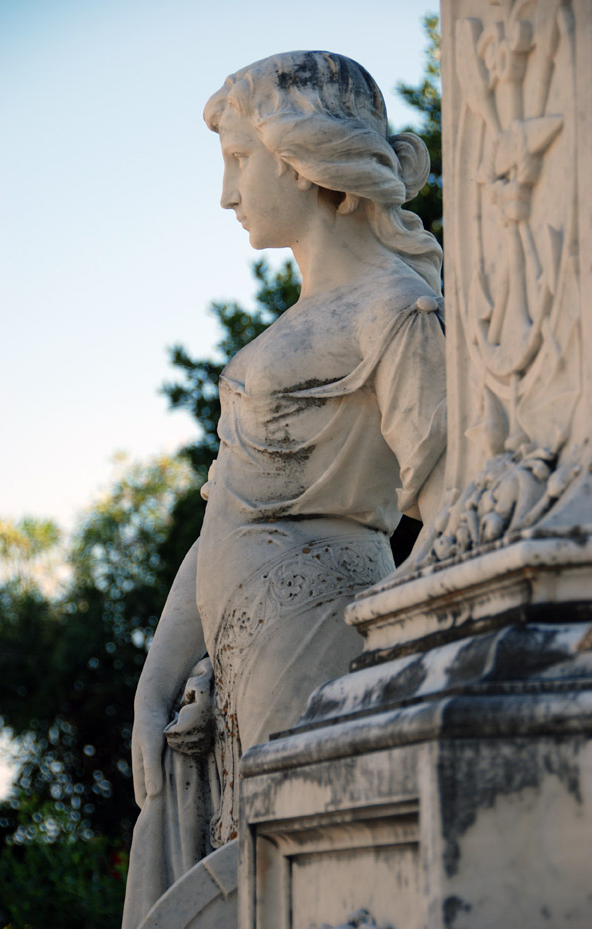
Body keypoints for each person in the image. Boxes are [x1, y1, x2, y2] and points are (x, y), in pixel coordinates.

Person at [122, 50, 446, 928]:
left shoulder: (398, 311)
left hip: (318, 640)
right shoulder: (291, 329)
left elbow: (454, 502)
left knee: (305, 880)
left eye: (238, 162)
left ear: (304, 160)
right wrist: (157, 680)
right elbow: (222, 517)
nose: (228, 195)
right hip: (230, 656)